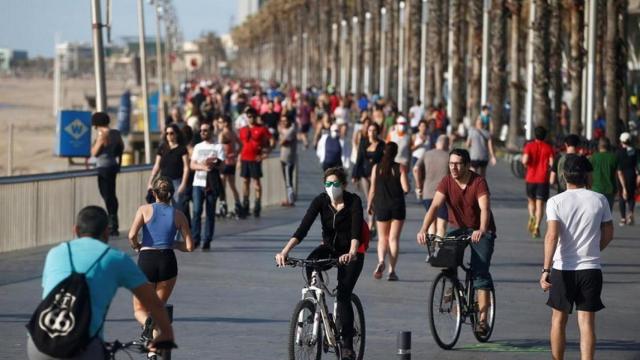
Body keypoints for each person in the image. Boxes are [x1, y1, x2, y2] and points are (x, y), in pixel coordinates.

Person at [27, 206, 174, 360]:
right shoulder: (116, 258)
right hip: (82, 346)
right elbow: (154, 303)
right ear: (107, 232)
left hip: (39, 342)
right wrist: (166, 334)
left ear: (75, 230)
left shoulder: (55, 253)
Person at [275, 167, 364, 360]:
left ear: (344, 185)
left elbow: (356, 231)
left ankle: (347, 345)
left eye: (336, 184)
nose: (332, 187)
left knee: (343, 296)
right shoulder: (320, 201)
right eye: (328, 184)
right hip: (330, 249)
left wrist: (351, 252)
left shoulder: (354, 201)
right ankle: (318, 310)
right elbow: (303, 228)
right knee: (310, 263)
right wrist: (285, 251)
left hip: (351, 253)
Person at [540, 154, 614, 360]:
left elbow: (552, 236)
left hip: (563, 268)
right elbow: (609, 233)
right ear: (587, 176)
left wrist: (546, 269)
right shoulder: (599, 200)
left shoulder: (555, 201)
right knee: (587, 323)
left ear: (564, 175)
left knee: (558, 320)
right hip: (590, 268)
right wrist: (593, 249)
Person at [417, 148, 497, 336]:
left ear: (468, 166)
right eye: (451, 163)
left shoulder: (478, 182)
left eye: (458, 164)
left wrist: (482, 230)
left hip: (481, 230)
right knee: (447, 260)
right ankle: (452, 288)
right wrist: (423, 229)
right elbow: (435, 206)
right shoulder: (446, 182)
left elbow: (485, 208)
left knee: (479, 273)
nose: (453, 167)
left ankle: (483, 320)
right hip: (457, 228)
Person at [128, 177, 193, 358]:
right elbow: (189, 247)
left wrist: (136, 246)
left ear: (154, 193)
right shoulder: (179, 215)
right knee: (157, 308)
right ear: (171, 194)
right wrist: (172, 244)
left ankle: (147, 328)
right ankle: (152, 352)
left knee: (139, 309)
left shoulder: (144, 209)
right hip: (167, 261)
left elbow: (132, 235)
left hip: (147, 260)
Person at [368, 142, 409, 281]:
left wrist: (369, 205)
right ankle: (392, 271)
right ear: (396, 153)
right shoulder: (400, 168)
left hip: (381, 205)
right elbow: (406, 188)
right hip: (397, 206)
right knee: (393, 239)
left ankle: (381, 261)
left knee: (382, 238)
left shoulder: (376, 168)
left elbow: (372, 188)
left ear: (384, 152)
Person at [190, 122, 225, 250]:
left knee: (210, 213)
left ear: (211, 131)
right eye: (201, 131)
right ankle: (195, 238)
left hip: (211, 184)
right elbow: (192, 165)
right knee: (197, 211)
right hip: (198, 183)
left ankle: (207, 240)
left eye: (205, 130)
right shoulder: (197, 147)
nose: (202, 133)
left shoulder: (218, 147)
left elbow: (222, 165)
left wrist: (214, 163)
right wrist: (204, 166)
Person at [91, 112, 124, 237]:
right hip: (113, 167)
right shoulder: (116, 133)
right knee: (112, 195)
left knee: (106, 195)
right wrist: (119, 164)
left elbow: (94, 153)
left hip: (103, 168)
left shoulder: (102, 135)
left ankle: (112, 225)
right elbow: (121, 148)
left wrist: (93, 145)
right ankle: (114, 224)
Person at [238, 107, 274, 218]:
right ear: (247, 117)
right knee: (245, 181)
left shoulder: (262, 129)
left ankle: (257, 205)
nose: (251, 118)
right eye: (249, 116)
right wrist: (239, 158)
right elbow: (240, 145)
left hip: (255, 159)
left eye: (253, 116)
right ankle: (245, 204)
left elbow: (272, 140)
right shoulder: (243, 129)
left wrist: (266, 153)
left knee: (256, 183)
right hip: (245, 158)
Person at [413, 135, 450, 237]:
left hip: (427, 192)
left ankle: (431, 250)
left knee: (431, 223)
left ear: (436, 143)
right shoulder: (449, 156)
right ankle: (438, 251)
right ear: (447, 144)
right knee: (441, 226)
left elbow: (416, 169)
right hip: (444, 194)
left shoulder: (427, 154)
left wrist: (419, 186)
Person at [147, 124, 189, 210]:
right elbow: (157, 166)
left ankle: (177, 223)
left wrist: (183, 184)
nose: (169, 135)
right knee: (160, 207)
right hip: (163, 182)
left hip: (176, 181)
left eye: (171, 133)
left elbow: (186, 167)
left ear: (177, 134)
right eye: (167, 133)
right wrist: (150, 182)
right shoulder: (162, 148)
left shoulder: (182, 149)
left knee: (177, 208)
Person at [522, 126, 555, 238]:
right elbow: (552, 163)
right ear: (544, 135)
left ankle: (532, 216)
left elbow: (525, 160)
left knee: (531, 201)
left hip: (530, 178)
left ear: (535, 134)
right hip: (543, 179)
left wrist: (527, 165)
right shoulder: (548, 148)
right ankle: (536, 226)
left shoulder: (529, 146)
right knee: (540, 204)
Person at [352, 123, 384, 230]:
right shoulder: (363, 142)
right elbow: (359, 159)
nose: (372, 132)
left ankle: (372, 220)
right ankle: (371, 221)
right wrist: (354, 174)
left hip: (376, 175)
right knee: (368, 198)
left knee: (373, 198)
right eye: (370, 130)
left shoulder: (381, 144)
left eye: (374, 130)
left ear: (377, 131)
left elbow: (384, 160)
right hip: (364, 174)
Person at [216, 115, 242, 217]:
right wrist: (235, 153)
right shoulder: (233, 133)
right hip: (232, 162)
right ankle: (237, 204)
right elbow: (241, 145)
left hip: (225, 162)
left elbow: (219, 148)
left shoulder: (222, 134)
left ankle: (223, 206)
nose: (219, 124)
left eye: (221, 122)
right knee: (232, 185)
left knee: (223, 186)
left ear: (225, 123)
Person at [589, 137, 618, 210]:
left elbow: (588, 173)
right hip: (610, 189)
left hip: (596, 189)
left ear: (599, 146)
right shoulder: (613, 157)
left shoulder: (593, 157)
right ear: (609, 146)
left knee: (597, 212)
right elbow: (617, 174)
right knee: (608, 214)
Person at [617, 132, 638, 226]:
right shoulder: (635, 151)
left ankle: (623, 218)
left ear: (621, 141)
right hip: (632, 174)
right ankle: (630, 213)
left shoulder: (618, 152)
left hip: (621, 174)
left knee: (622, 196)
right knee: (631, 196)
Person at [279, 114, 298, 206]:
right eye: (282, 121)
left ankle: (291, 200)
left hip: (289, 159)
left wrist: (281, 133)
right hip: (283, 157)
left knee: (288, 179)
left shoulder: (291, 130)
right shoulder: (284, 130)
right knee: (286, 180)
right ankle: (289, 198)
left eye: (285, 121)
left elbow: (282, 142)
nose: (283, 123)